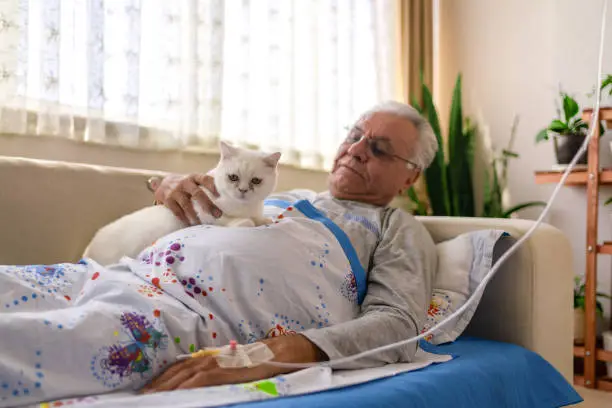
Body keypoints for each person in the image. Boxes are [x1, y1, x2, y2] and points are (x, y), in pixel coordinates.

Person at [142, 101, 439, 393]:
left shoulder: (397, 227)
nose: (356, 150)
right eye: (354, 136)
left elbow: (397, 324)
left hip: (188, 321)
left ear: (410, 177)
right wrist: (169, 196)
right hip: (138, 277)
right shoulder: (278, 196)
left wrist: (269, 354)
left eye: (379, 149)